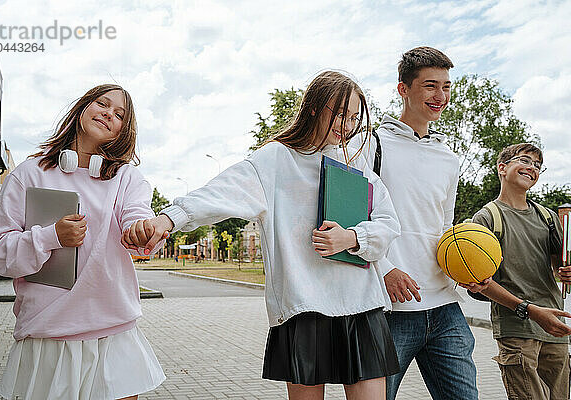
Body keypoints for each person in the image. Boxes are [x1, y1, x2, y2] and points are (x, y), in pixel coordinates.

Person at [122, 71, 401, 399]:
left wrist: (353, 238)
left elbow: (388, 222)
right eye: (340, 114)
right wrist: (168, 218)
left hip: (361, 305)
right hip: (304, 306)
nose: (348, 124)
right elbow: (220, 192)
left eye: (354, 117)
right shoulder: (276, 159)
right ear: (314, 107)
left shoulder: (355, 165)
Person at [0, 84, 166, 400]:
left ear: (123, 130)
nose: (109, 113)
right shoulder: (29, 173)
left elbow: (137, 217)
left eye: (119, 114)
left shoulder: (127, 178)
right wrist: (51, 237)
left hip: (113, 334)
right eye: (102, 104)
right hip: (47, 334)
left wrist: (143, 231)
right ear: (82, 107)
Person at [351, 47, 478, 399]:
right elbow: (354, 217)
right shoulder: (371, 144)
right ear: (403, 90)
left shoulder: (449, 158)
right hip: (388, 306)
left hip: (444, 305)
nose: (441, 97)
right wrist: (385, 267)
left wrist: (465, 269)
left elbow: (446, 227)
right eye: (430, 86)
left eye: (447, 87)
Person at [462, 143, 571, 400]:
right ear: (502, 168)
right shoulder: (487, 218)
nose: (532, 168)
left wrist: (567, 273)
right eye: (525, 160)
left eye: (537, 166)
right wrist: (530, 311)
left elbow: (559, 268)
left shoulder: (547, 216)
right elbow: (482, 283)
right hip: (517, 328)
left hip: (554, 326)